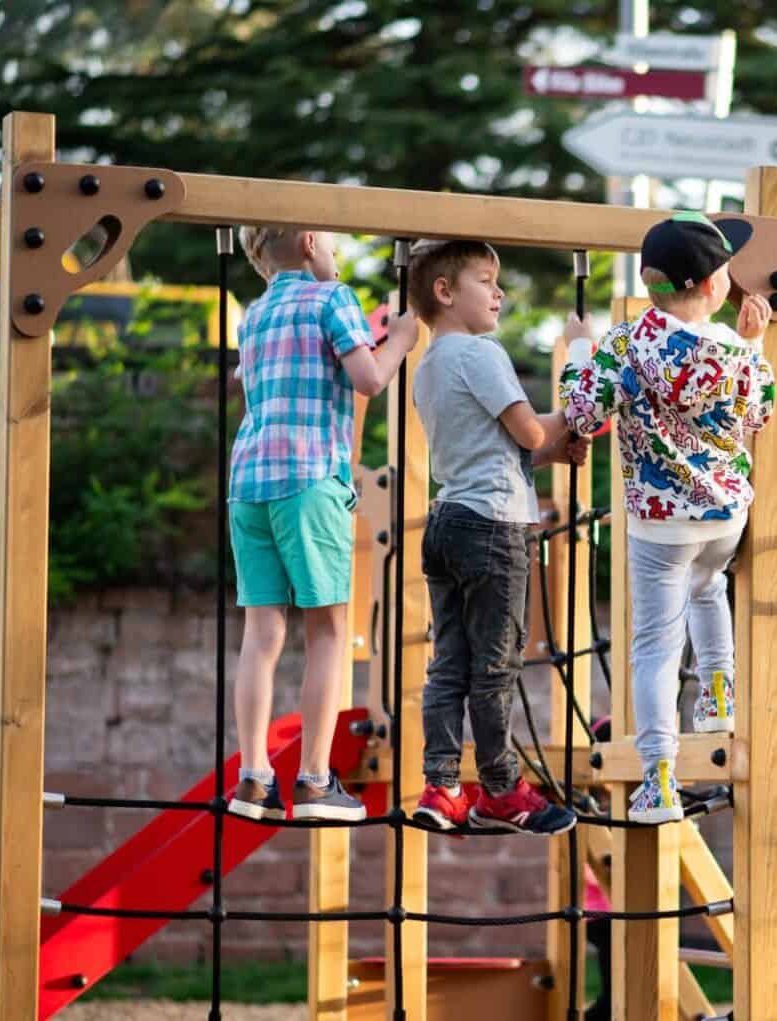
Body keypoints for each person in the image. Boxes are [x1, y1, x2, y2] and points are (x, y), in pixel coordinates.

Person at [560, 212, 775, 823]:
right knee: (711, 589)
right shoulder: (734, 349)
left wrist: (580, 344)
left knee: (655, 645)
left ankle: (657, 781)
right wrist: (755, 345)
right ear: (712, 286)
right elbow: (760, 412)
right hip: (725, 513)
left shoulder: (627, 343)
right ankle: (717, 695)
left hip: (658, 523)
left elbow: (580, 413)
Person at [227, 227, 417, 821]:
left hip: (249, 483)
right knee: (328, 631)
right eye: (332, 242)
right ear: (312, 242)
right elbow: (368, 379)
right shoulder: (333, 297)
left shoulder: (254, 315)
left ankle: (253, 777)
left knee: (261, 635)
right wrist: (403, 339)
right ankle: (313, 778)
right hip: (309, 478)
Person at [407, 238, 584, 835]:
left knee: (448, 664)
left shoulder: (428, 366)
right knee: (495, 665)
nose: (500, 292)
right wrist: (579, 412)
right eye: (487, 280)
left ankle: (441, 786)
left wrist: (553, 444)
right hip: (494, 528)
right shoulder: (481, 353)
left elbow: (506, 453)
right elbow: (531, 435)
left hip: (448, 520)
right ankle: (502, 790)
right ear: (445, 291)